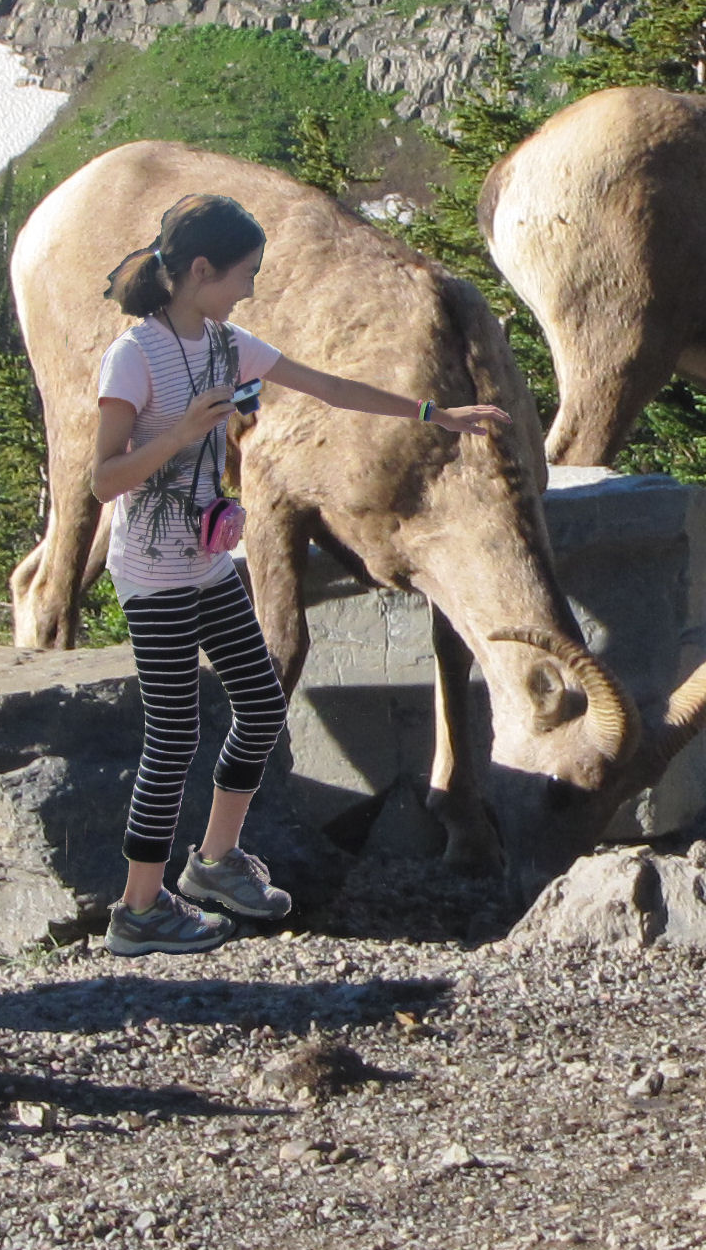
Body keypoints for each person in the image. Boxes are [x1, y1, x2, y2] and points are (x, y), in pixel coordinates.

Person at [90, 193, 513, 953]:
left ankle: (215, 862)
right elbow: (104, 480)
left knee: (257, 703)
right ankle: (137, 909)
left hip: (208, 561)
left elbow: (329, 388)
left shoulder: (229, 345)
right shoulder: (132, 357)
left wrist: (434, 415)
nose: (250, 288)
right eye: (241, 275)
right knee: (174, 735)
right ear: (198, 270)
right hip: (152, 571)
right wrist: (185, 432)